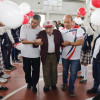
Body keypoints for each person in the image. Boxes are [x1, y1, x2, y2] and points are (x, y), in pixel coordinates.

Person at [33, 20, 63, 92]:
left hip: (55, 55)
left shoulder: (58, 32)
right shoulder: (41, 33)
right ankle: (47, 85)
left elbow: (61, 42)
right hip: (45, 55)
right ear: (44, 28)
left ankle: (53, 84)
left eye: (50, 28)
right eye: (46, 28)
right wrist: (37, 42)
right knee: (46, 71)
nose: (48, 30)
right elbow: (35, 45)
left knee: (54, 70)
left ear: (53, 27)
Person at [60, 15, 84, 96]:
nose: (66, 24)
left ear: (72, 22)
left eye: (68, 22)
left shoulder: (78, 29)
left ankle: (71, 88)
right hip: (64, 56)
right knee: (64, 71)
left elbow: (80, 42)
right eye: (65, 22)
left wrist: (69, 43)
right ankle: (64, 83)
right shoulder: (61, 30)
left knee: (73, 73)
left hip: (75, 57)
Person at [20, 14, 41, 93]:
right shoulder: (24, 27)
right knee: (27, 70)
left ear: (38, 23)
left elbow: (41, 41)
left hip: (36, 54)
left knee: (36, 70)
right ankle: (29, 82)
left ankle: (34, 84)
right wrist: (34, 42)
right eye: (32, 22)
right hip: (26, 53)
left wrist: (40, 43)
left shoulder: (39, 29)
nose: (32, 24)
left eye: (35, 23)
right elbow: (23, 41)